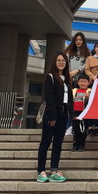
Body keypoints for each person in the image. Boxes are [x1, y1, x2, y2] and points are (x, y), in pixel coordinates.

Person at [37, 52, 74, 183]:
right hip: (52, 113)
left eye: (63, 61)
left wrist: (72, 115)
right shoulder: (50, 77)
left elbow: (69, 98)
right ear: (54, 62)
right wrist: (53, 116)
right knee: (46, 142)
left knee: (58, 143)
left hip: (63, 114)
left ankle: (53, 170)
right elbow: (49, 97)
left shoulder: (67, 79)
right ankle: (41, 171)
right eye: (58, 60)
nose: (61, 63)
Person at [71, 73, 91, 151]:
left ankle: (82, 145)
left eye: (84, 81)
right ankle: (75, 145)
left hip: (85, 113)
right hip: (75, 113)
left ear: (88, 82)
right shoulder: (74, 91)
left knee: (83, 130)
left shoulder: (90, 91)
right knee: (75, 129)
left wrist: (88, 98)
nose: (83, 83)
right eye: (81, 81)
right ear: (78, 82)